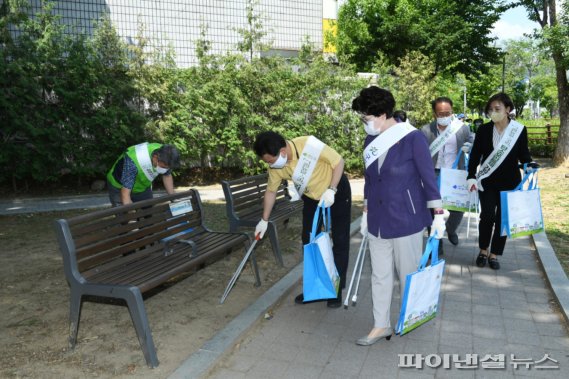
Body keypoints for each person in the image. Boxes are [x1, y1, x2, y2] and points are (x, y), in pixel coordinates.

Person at [351, 86, 445, 346]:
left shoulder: (412, 138)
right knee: (380, 276)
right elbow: (371, 180)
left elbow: (428, 177)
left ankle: (410, 316)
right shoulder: (371, 141)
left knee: (407, 274)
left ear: (382, 113)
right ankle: (380, 325)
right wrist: (366, 211)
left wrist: (438, 214)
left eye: (367, 118)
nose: (365, 123)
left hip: (407, 218)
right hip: (379, 219)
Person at [253, 131, 351, 308]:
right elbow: (271, 191)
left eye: (270, 160)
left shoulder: (308, 145)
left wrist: (332, 190)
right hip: (312, 198)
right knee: (309, 240)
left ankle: (335, 289)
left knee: (340, 239)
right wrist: (264, 220)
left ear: (282, 151)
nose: (269, 164)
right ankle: (315, 288)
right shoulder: (276, 167)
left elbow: (339, 162)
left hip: (335, 191)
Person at [467, 93, 533, 270]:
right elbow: (475, 155)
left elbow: (523, 154)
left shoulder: (518, 130)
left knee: (502, 219)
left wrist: (529, 164)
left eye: (497, 109)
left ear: (508, 110)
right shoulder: (484, 130)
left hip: (510, 182)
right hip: (487, 181)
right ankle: (483, 250)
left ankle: (494, 254)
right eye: (491, 109)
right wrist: (471, 175)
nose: (493, 112)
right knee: (487, 215)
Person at [421, 97, 471, 248]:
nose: (444, 116)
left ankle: (450, 229)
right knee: (433, 209)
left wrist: (470, 145)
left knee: (458, 208)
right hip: (434, 172)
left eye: (447, 113)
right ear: (434, 114)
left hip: (455, 172)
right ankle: (436, 244)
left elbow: (471, 139)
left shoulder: (461, 128)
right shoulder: (425, 130)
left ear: (452, 112)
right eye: (440, 114)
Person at [107, 142, 180, 207]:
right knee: (124, 217)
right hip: (118, 185)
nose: (165, 169)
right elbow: (125, 194)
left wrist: (173, 199)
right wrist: (131, 216)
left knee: (148, 213)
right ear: (155, 158)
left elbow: (167, 175)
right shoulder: (134, 161)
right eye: (164, 167)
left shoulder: (166, 154)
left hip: (142, 187)